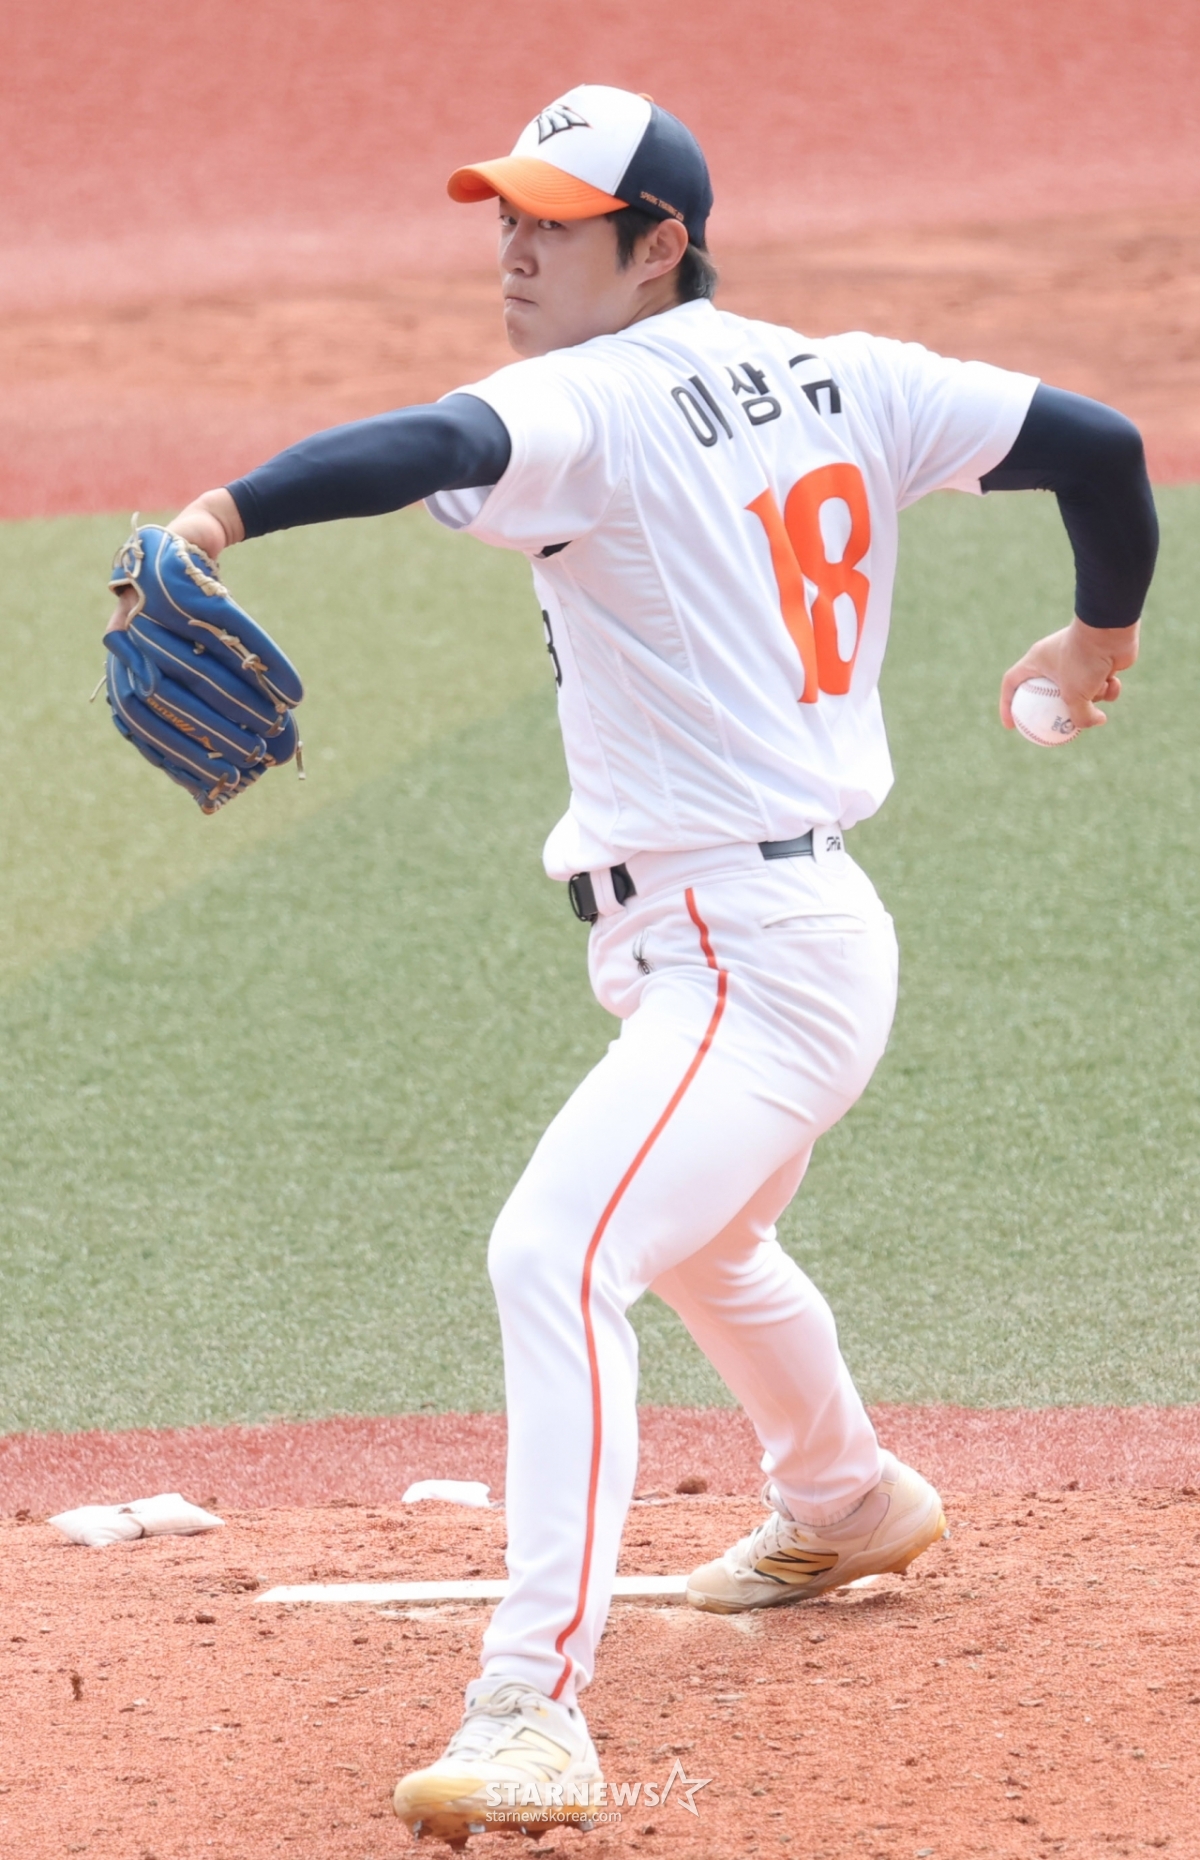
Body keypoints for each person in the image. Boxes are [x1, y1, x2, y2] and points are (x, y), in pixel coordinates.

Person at [107, 84, 1157, 1848]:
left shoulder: (589, 399)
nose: (516, 251)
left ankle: (531, 1711)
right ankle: (847, 1496)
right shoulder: (853, 374)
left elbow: (428, 442)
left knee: (559, 1252)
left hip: (753, 957)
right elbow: (1107, 449)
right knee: (710, 1239)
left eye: (557, 223)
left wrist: (219, 516)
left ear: (659, 242)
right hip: (770, 936)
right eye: (506, 217)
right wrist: (1097, 634)